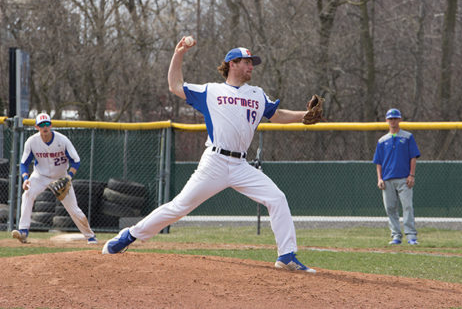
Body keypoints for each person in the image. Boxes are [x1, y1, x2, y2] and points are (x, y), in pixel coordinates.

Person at [102, 38, 317, 273]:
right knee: (179, 207)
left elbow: (276, 115)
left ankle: (286, 256)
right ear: (232, 64)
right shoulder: (211, 91)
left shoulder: (257, 94)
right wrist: (179, 54)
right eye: (246, 62)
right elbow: (175, 86)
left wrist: (304, 115)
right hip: (215, 162)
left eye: (252, 62)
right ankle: (128, 236)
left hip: (241, 165)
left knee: (277, 198)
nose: (251, 66)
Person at [11, 113, 97, 244]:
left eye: (47, 124)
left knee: (73, 209)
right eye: (41, 125)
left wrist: (69, 177)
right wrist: (25, 178)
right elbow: (24, 163)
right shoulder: (32, 142)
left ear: (51, 125)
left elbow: (76, 161)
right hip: (40, 176)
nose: (45, 127)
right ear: (36, 127)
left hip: (61, 177)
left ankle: (90, 235)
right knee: (27, 193)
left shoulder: (62, 140)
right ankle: (23, 231)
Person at [373, 108, 421, 245]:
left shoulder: (407, 137)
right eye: (390, 119)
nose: (393, 121)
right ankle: (396, 235)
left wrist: (411, 175)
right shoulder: (382, 140)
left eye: (395, 118)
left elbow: (413, 157)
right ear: (386, 120)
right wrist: (379, 178)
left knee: (407, 207)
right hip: (387, 179)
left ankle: (411, 236)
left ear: (400, 120)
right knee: (390, 208)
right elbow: (378, 162)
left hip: (404, 178)